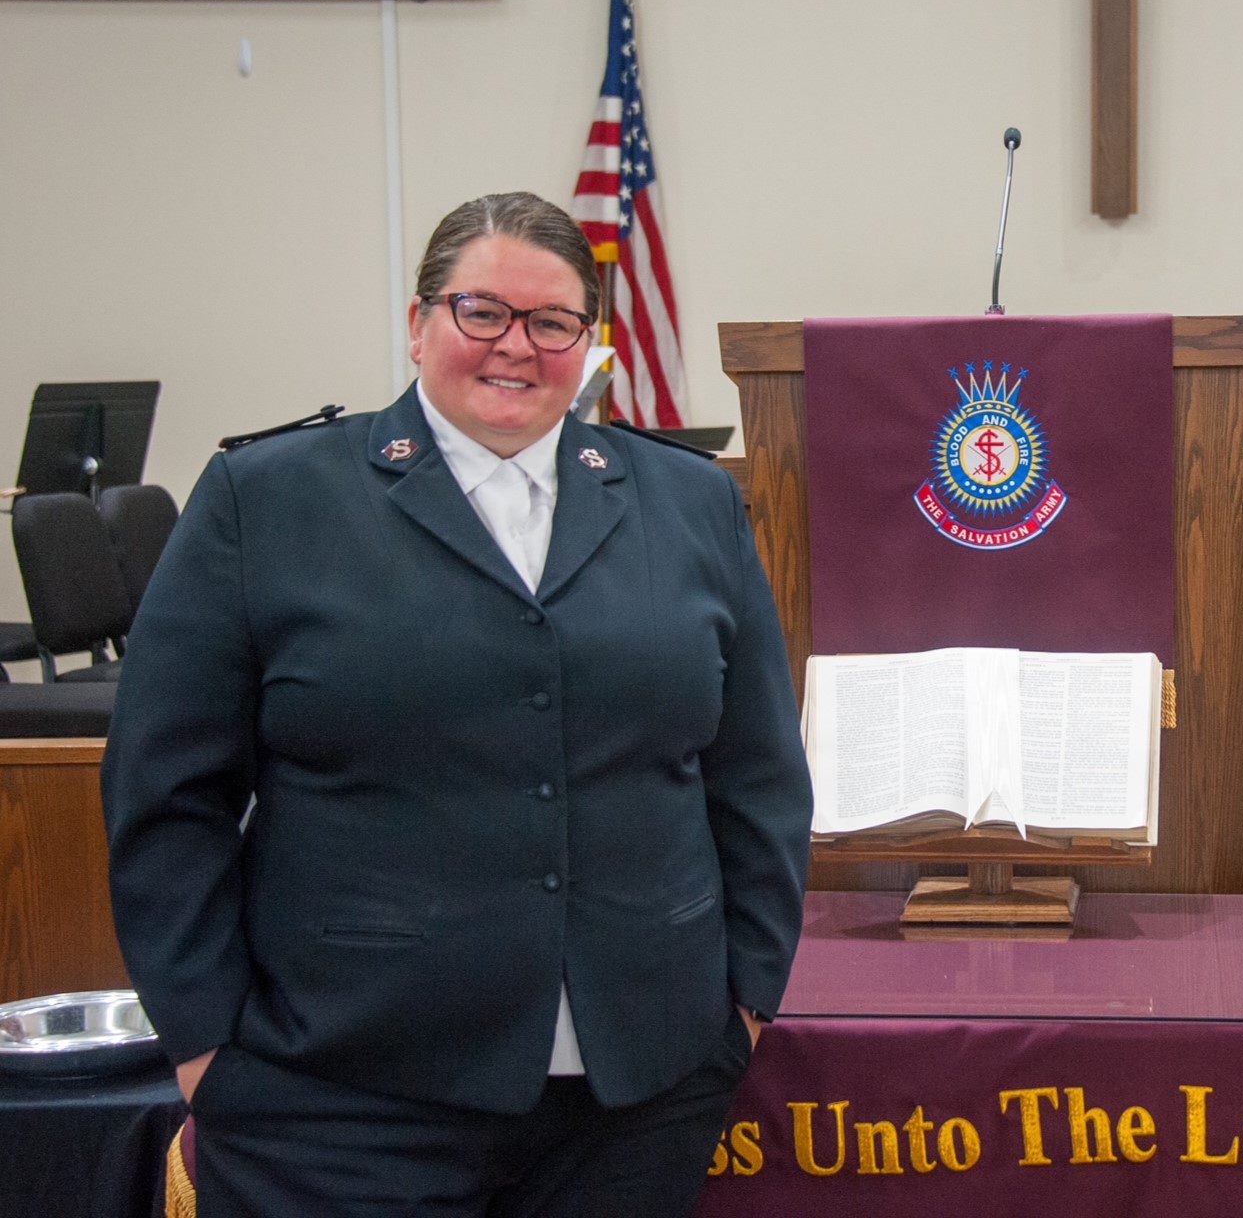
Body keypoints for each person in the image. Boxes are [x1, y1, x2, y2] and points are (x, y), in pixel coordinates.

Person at [102, 191, 813, 1216]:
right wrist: (207, 1045)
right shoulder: (268, 501)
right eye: (481, 311)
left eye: (552, 321)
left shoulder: (692, 504)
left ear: (588, 342)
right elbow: (165, 791)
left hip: (637, 1097)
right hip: (339, 1097)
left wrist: (742, 1007)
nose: (515, 346)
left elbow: (757, 777)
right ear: (418, 322)